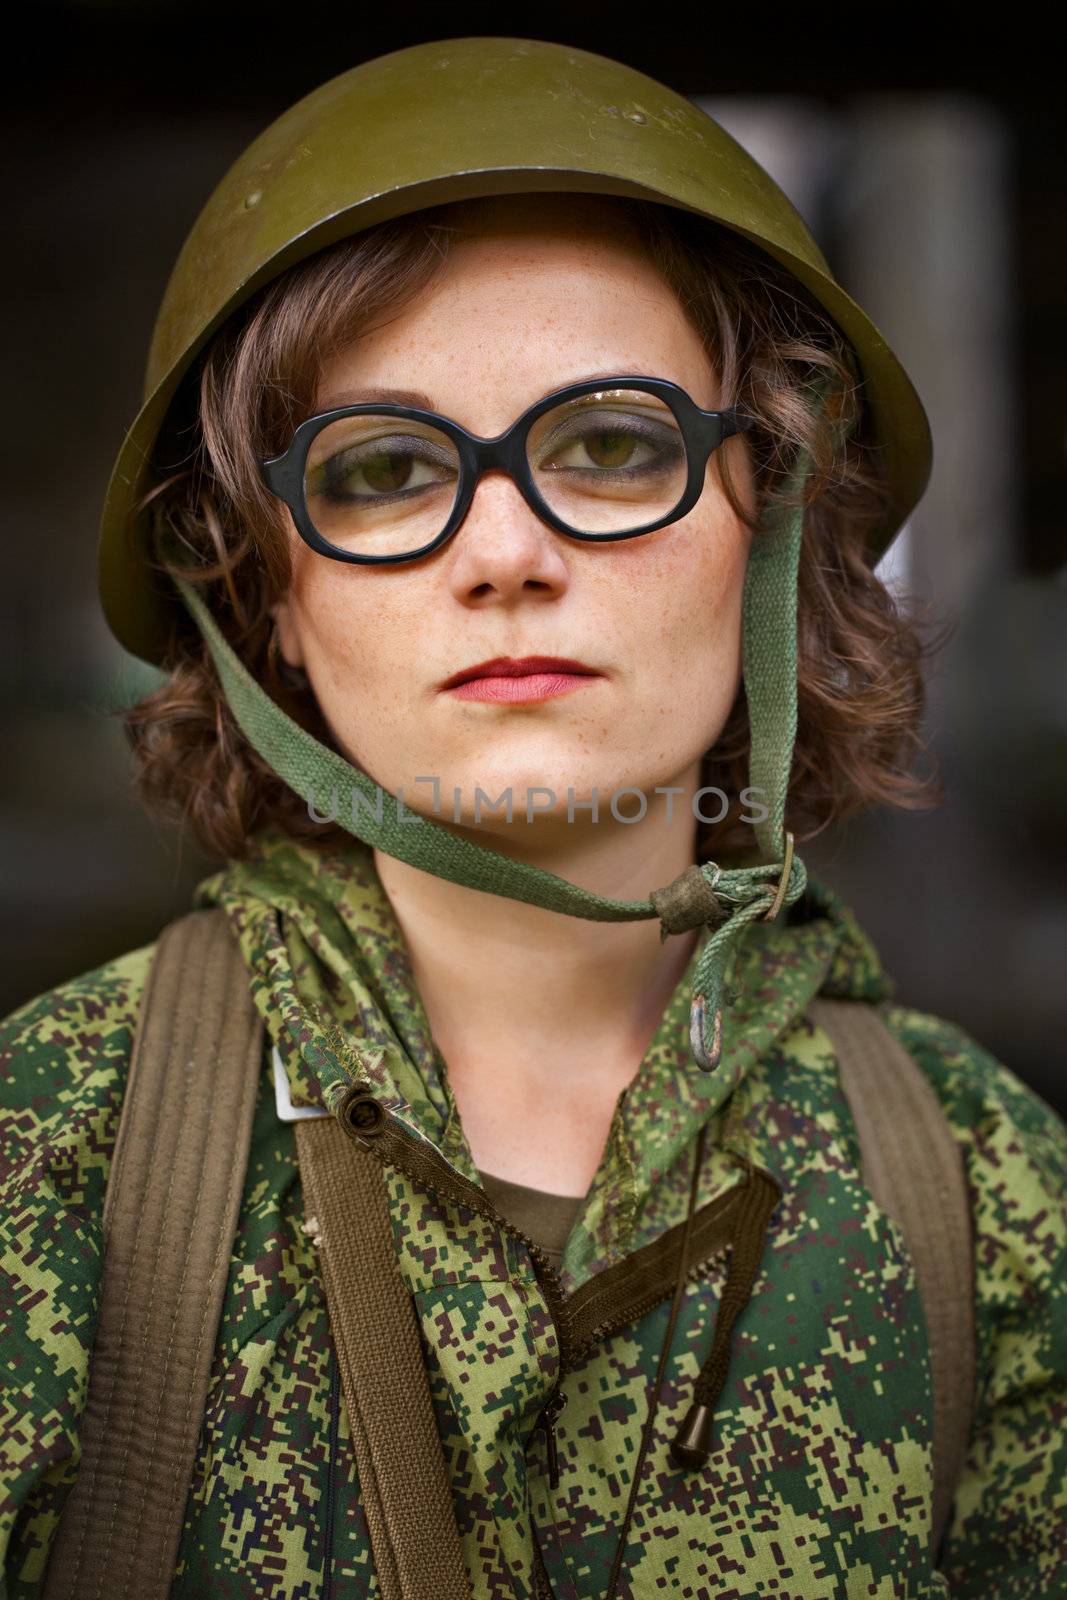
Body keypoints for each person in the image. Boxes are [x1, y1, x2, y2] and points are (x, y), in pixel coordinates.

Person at [2, 36, 1065, 1600]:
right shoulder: (48, 1154)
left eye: (615, 445)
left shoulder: (989, 1194)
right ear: (264, 594)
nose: (504, 550)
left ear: (764, 519)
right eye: (380, 469)